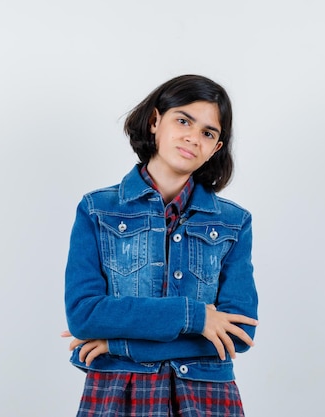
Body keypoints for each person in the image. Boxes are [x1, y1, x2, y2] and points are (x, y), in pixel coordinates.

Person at [62, 74, 259, 416]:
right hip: (118, 395)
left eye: (208, 133)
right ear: (155, 121)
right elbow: (84, 315)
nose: (193, 138)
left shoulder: (233, 222)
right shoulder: (97, 210)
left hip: (206, 400)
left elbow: (238, 332)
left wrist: (118, 343)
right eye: (183, 120)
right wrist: (196, 317)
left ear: (216, 148)